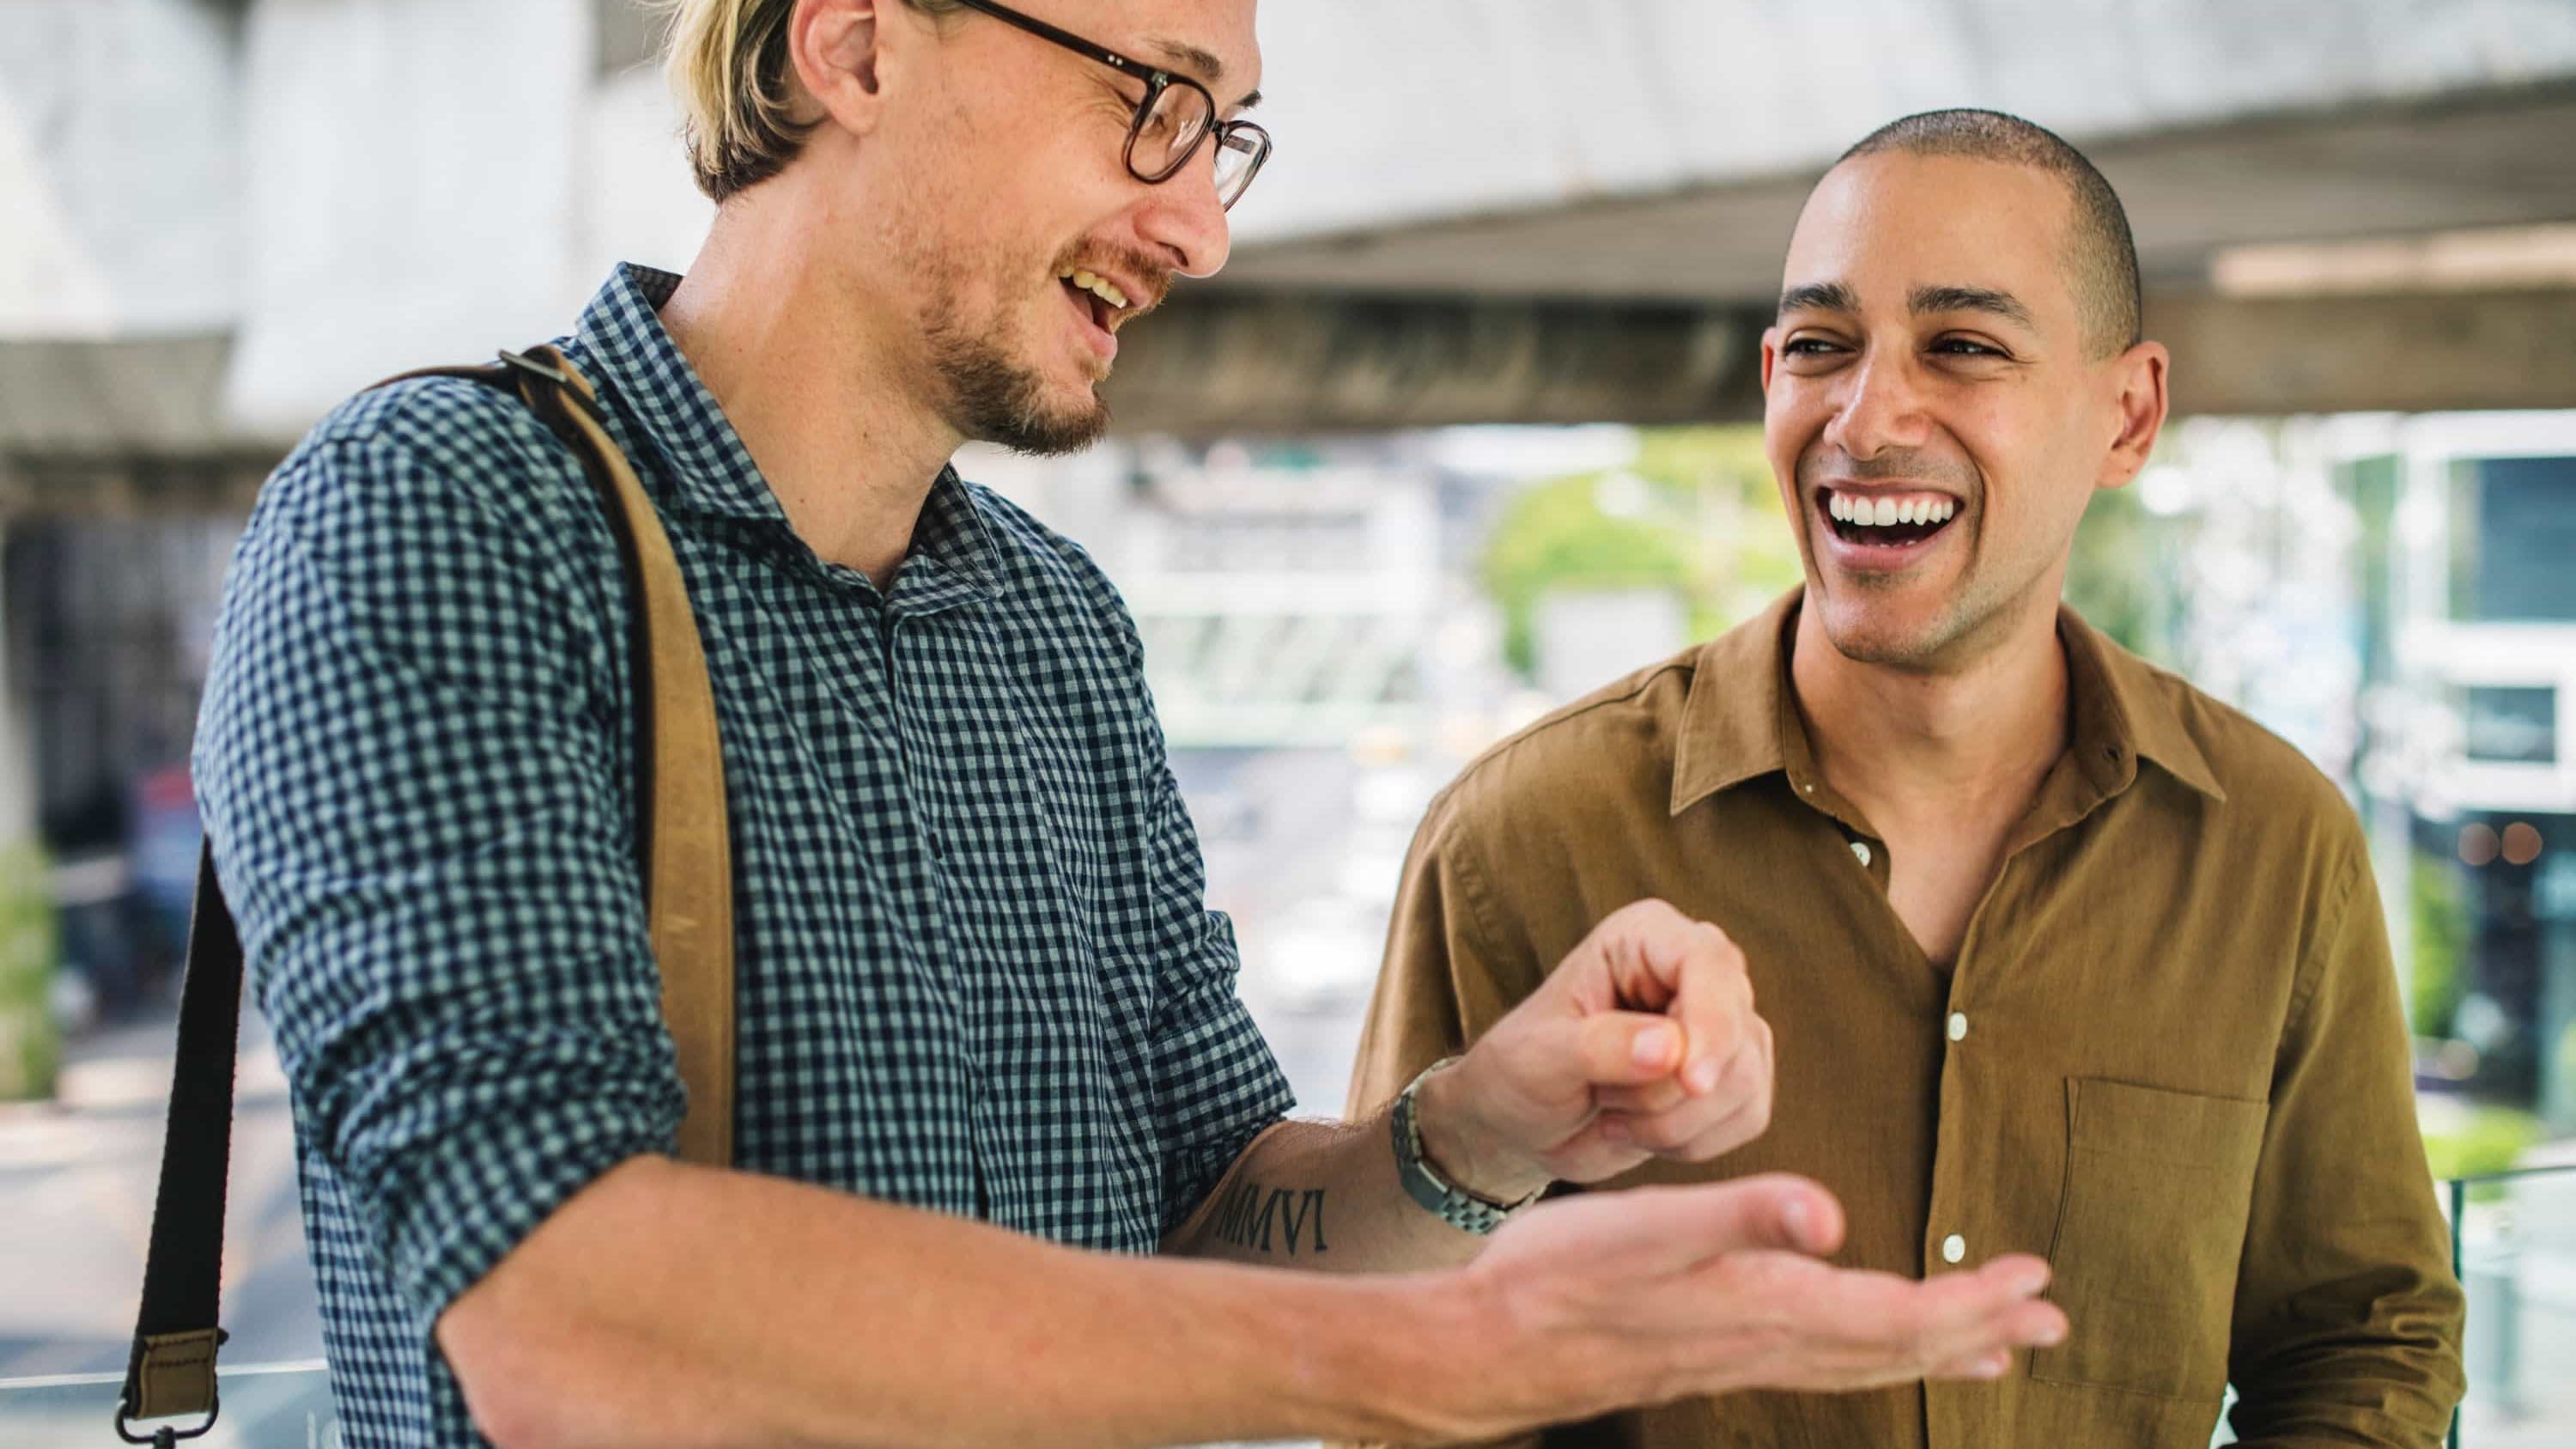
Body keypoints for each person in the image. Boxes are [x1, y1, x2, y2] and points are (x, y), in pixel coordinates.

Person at [191, 7, 2069, 1447]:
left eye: (1222, 138)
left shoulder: (1050, 621)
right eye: (1152, 97)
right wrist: (1430, 1353)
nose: (1201, 227)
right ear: (853, 41)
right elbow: (561, 1316)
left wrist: (1483, 1131)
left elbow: (1208, 1204)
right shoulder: (440, 514)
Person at [1349, 109, 2466, 1449]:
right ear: (1770, 376)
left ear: (2129, 414)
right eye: (1821, 347)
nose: (1867, 417)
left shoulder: (2277, 842)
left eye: (1964, 349)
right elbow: (1390, 1373)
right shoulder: (1521, 838)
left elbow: (2365, 1341)